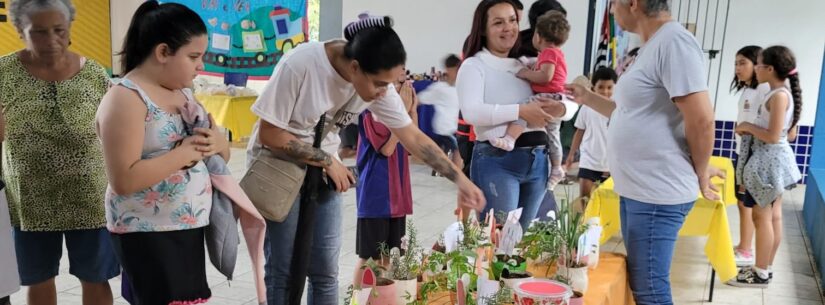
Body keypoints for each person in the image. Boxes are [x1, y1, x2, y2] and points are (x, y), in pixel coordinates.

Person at [246, 15, 484, 304]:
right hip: (280, 168)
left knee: (324, 272)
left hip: (325, 171)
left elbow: (413, 137)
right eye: (380, 84)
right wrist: (326, 160)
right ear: (355, 67)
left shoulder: (377, 85)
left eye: (391, 83)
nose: (385, 92)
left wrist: (461, 180)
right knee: (283, 271)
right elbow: (270, 134)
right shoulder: (302, 64)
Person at [565, 0, 718, 303]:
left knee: (650, 287)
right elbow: (627, 111)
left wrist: (701, 172)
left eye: (613, 4)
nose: (611, 11)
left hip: (657, 192)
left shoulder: (674, 41)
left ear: (633, 3)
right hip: (639, 188)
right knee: (643, 281)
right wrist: (586, 97)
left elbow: (701, 119)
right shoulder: (653, 45)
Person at [96, 2, 228, 304]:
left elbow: (214, 157)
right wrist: (185, 153)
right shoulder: (126, 98)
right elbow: (123, 180)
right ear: (163, 52)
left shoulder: (183, 92)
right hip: (147, 231)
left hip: (185, 224)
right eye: (194, 56)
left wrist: (216, 143)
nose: (201, 66)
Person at [1, 1, 119, 304]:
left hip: (89, 197)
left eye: (59, 30)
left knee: (96, 275)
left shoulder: (94, 73)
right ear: (19, 31)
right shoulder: (3, 73)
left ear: (69, 31)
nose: (51, 40)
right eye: (38, 32)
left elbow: (116, 129)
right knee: (38, 277)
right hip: (29, 199)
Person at [459, 0, 578, 230]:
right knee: (499, 241)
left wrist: (562, 109)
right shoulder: (474, 66)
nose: (508, 28)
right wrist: (522, 111)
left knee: (519, 240)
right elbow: (472, 112)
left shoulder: (526, 64)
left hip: (538, 162)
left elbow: (567, 96)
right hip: (498, 162)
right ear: (483, 29)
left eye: (512, 20)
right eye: (498, 22)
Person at [731, 46, 803, 288]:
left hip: (768, 163)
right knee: (770, 217)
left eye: (758, 64)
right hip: (767, 161)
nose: (755, 69)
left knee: (763, 218)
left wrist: (747, 126)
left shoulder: (779, 95)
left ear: (769, 69)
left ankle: (760, 271)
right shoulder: (778, 93)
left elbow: (773, 136)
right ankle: (765, 268)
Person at [352, 80, 417, 286]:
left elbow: (413, 143)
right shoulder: (371, 109)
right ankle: (356, 298)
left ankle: (381, 298)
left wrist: (411, 111)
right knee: (369, 257)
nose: (404, 85)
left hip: (397, 195)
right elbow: (387, 149)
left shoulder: (399, 112)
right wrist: (404, 114)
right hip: (376, 195)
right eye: (398, 81)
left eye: (404, 79)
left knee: (390, 255)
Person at [503, 10, 570, 191]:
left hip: (547, 96)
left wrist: (526, 73)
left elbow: (545, 76)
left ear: (538, 36)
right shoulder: (555, 53)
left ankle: (510, 138)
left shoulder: (548, 52)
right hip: (556, 97)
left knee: (524, 108)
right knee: (553, 135)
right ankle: (556, 167)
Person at [730, 45, 771, 267]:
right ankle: (743, 245)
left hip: (755, 155)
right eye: (736, 63)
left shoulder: (765, 90)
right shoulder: (747, 90)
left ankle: (747, 251)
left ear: (758, 65)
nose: (737, 68)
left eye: (742, 63)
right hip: (742, 153)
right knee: (741, 203)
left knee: (752, 206)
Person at [566, 67, 616, 199]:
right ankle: (585, 220)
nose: (605, 91)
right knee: (585, 198)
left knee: (606, 200)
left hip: (610, 163)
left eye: (609, 87)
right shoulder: (586, 107)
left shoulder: (619, 108)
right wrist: (571, 154)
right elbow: (579, 131)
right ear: (594, 87)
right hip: (589, 160)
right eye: (601, 87)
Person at [418, 54, 462, 157]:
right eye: (456, 69)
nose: (458, 72)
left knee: (452, 154)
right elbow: (419, 99)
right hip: (445, 129)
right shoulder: (439, 88)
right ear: (448, 69)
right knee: (458, 152)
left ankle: (440, 170)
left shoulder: (460, 87)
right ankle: (455, 172)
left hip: (455, 128)